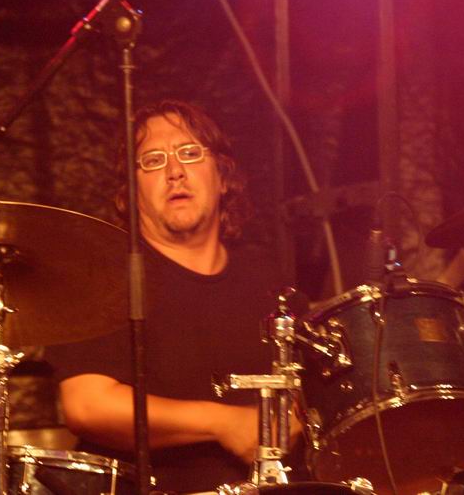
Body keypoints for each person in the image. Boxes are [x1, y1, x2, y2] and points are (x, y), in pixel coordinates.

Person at [45, 100, 293, 493]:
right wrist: (222, 423)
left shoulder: (267, 280)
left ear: (223, 177)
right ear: (131, 192)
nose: (174, 171)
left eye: (190, 153)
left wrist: (296, 419)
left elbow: (309, 399)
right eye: (153, 160)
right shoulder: (103, 275)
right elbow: (87, 406)